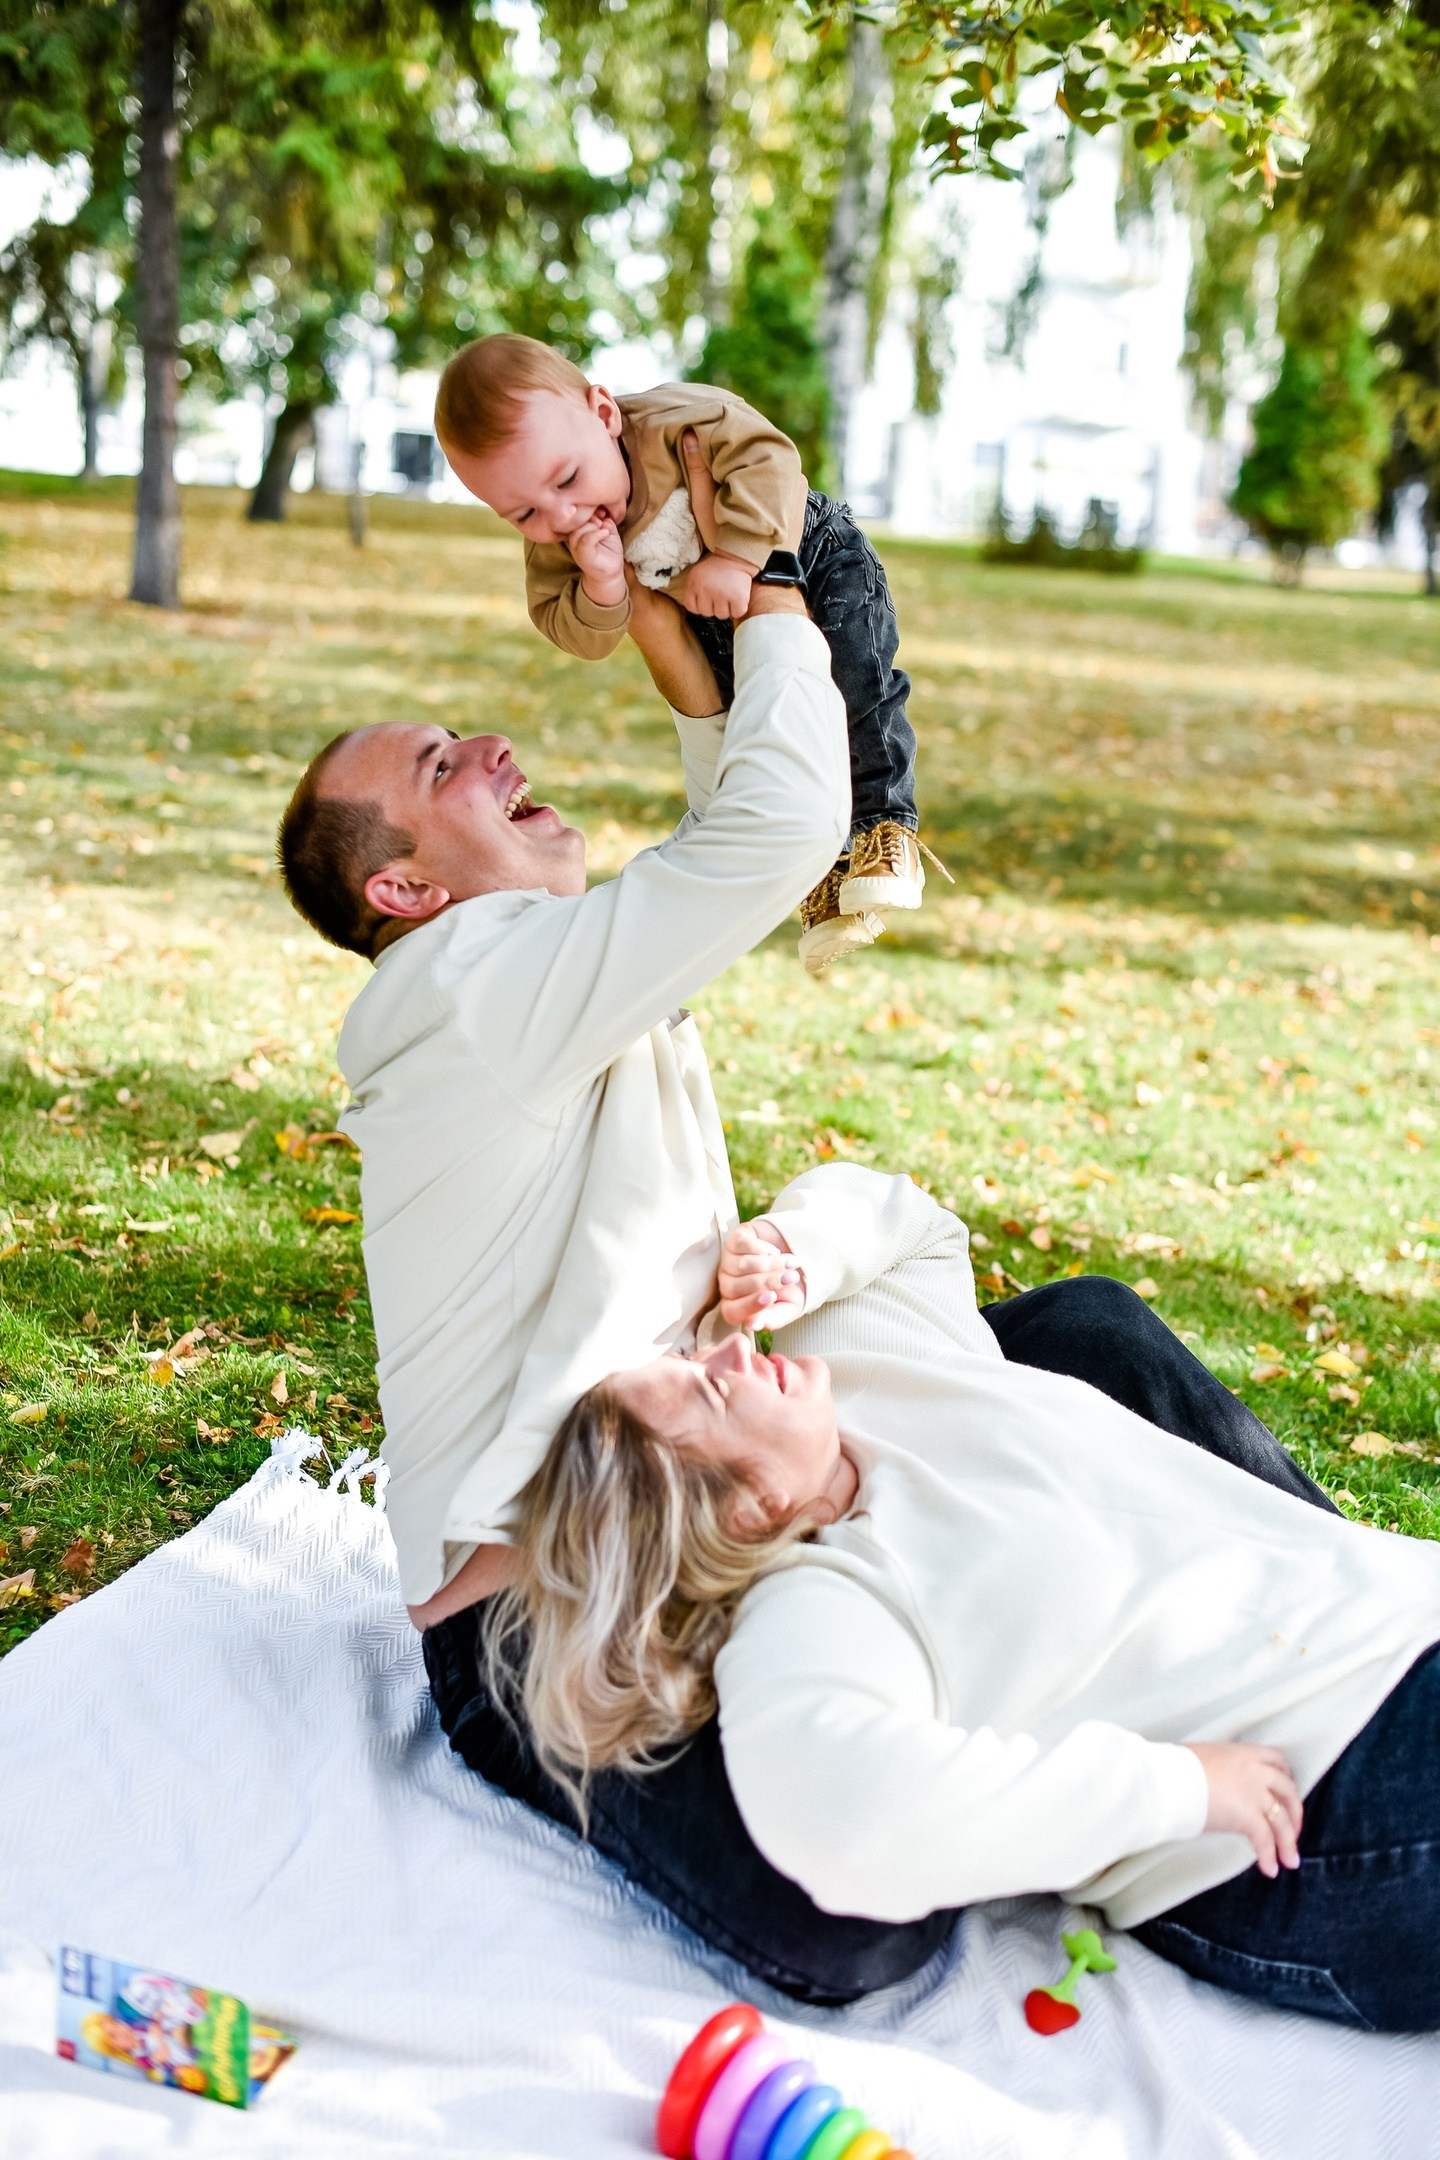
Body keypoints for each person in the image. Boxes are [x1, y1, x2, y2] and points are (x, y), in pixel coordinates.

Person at [275, 464, 1333, 2007]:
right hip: (552, 1598)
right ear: (403, 888)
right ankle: (1093, 1789)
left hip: (719, 1461)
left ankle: (1338, 1598)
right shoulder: (462, 992)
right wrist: (769, 595)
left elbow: (725, 821)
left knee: (1091, 1334)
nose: (493, 744)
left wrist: (656, 617)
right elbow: (770, 833)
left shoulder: (524, 963)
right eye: (444, 766)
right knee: (853, 1933)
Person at [496, 1163, 1440, 2033]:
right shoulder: (827, 1594)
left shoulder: (877, 1374)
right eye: (711, 1392)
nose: (736, 1352)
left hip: (1396, 1619)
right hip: (1327, 1807)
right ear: (745, 1512)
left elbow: (916, 1227)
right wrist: (1176, 1786)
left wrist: (796, 1250)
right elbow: (842, 1824)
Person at [434, 332, 922, 973]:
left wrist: (738, 557)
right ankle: (827, 880)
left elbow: (769, 457)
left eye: (569, 479)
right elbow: (570, 628)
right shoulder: (558, 542)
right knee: (767, 730)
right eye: (523, 513)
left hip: (811, 554)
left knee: (856, 687)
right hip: (708, 620)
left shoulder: (674, 422)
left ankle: (889, 830)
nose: (561, 515)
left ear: (604, 414)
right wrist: (605, 588)